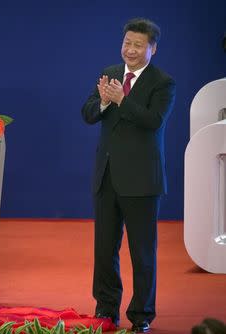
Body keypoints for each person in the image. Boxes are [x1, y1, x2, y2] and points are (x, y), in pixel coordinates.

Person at [81, 18, 176, 332]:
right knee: (104, 250)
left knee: (142, 253)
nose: (130, 50)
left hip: (142, 181)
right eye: (127, 43)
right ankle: (106, 310)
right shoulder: (109, 72)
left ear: (152, 49)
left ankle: (142, 316)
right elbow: (88, 113)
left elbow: (153, 121)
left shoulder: (162, 83)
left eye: (138, 45)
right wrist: (105, 103)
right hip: (106, 177)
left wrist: (123, 100)